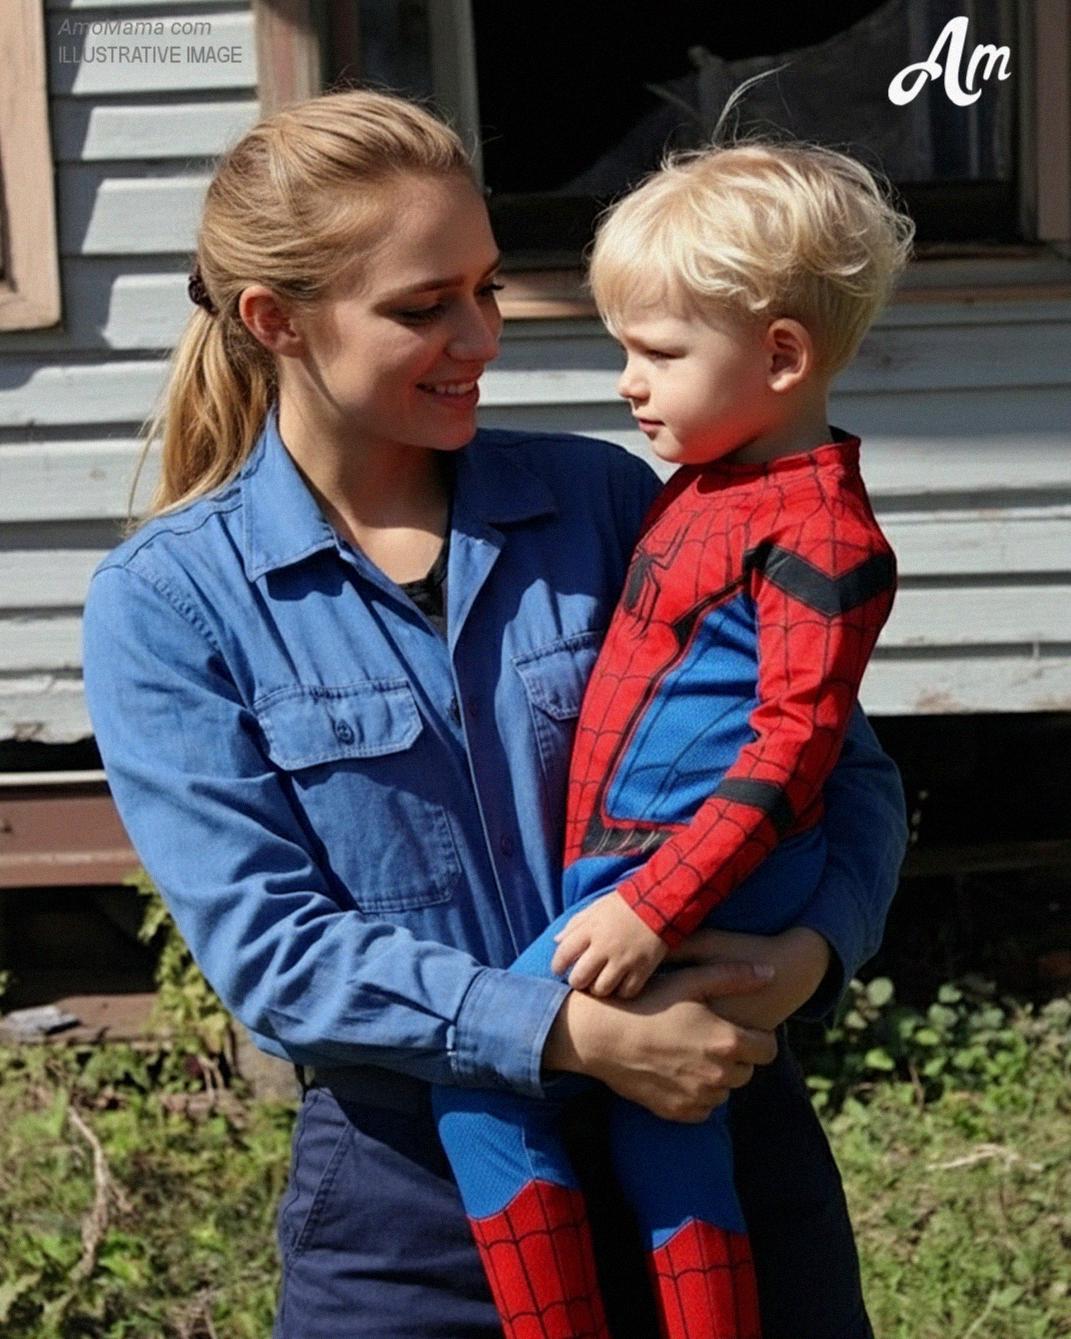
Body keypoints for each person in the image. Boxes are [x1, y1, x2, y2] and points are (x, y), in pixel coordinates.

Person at [81, 89, 907, 1339]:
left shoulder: (608, 502)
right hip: (419, 1215)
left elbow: (843, 770)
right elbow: (273, 950)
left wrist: (809, 956)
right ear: (274, 321)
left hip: (717, 1144)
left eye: (487, 287)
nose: (480, 337)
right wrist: (565, 1033)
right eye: (423, 308)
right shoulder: (172, 603)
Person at [433, 140, 913, 1339]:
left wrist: (655, 903)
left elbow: (797, 751)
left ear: (781, 356)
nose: (628, 383)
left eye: (658, 353)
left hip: (693, 871)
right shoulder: (709, 483)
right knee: (671, 1132)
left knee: (481, 1096)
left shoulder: (824, 535)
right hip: (647, 863)